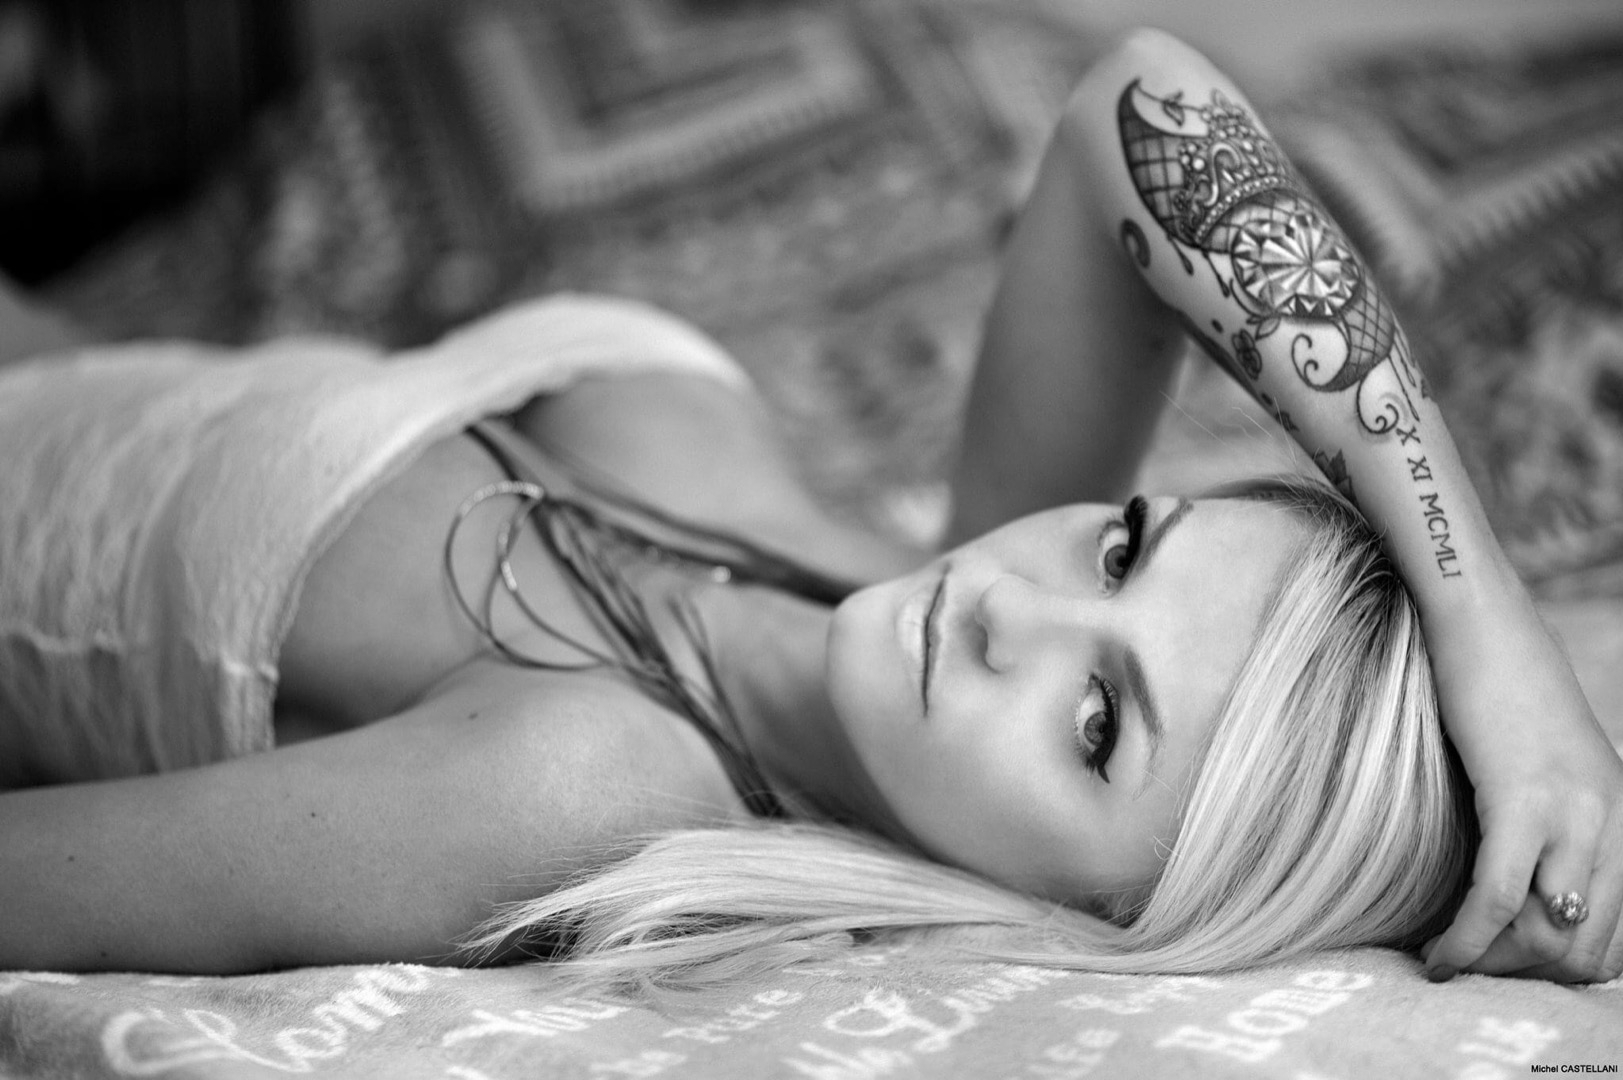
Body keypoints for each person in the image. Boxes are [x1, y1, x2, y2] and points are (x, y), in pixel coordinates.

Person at [0, 29, 1617, 986]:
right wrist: (1484, 617)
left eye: (1098, 726)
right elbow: (1136, 107)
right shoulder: (920, 595)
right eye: (1128, 545)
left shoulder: (581, 779)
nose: (1016, 605)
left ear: (1100, 915)